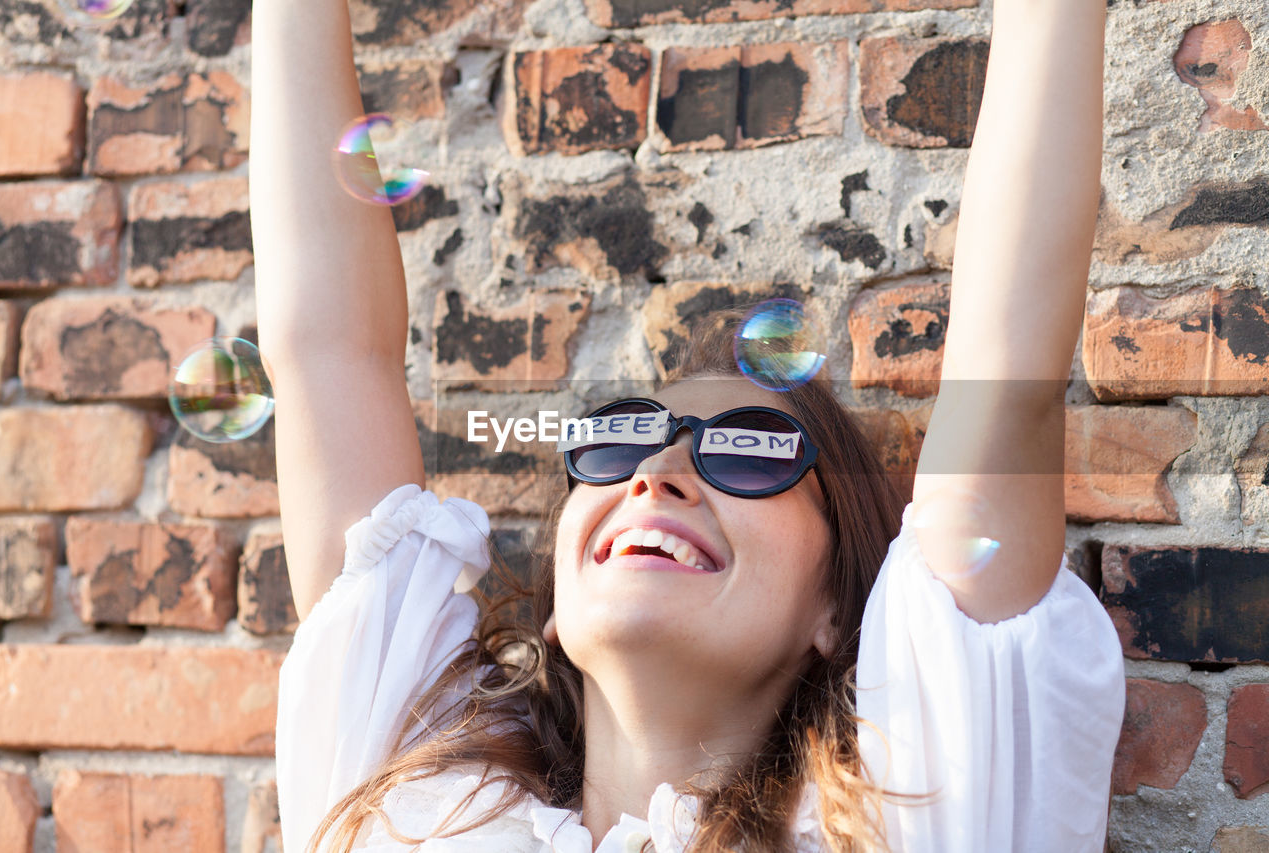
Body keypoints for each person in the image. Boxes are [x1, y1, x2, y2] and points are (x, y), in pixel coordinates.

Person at [251, 0, 1125, 848]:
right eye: (616, 441)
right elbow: (329, 357)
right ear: (555, 605)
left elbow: (1007, 385)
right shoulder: (410, 802)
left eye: (748, 451)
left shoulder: (925, 810)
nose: (656, 470)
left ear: (835, 607)